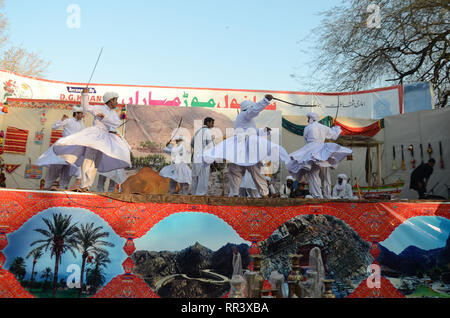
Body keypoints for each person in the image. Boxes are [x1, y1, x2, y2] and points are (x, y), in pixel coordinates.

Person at [203, 94, 289, 198]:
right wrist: (265, 100)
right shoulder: (246, 115)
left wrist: (263, 131)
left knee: (235, 170)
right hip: (247, 147)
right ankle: (264, 194)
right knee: (255, 170)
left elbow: (251, 131)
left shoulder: (244, 118)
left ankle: (235, 193)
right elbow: (254, 112)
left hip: (240, 146)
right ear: (248, 108)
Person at [52, 88, 131, 191]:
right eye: (115, 100)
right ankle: (84, 184)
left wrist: (104, 118)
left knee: (96, 162)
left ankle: (87, 185)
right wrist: (84, 95)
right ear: (110, 100)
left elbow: (116, 123)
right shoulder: (99, 108)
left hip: (105, 137)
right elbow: (86, 107)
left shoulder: (113, 113)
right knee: (89, 159)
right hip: (95, 134)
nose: (117, 102)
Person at [286, 112, 352, 199]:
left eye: (308, 118)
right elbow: (334, 136)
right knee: (325, 175)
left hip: (312, 151)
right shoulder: (324, 127)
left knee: (313, 174)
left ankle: (317, 195)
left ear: (311, 119)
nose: (307, 120)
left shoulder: (308, 127)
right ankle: (327, 194)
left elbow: (306, 140)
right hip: (323, 151)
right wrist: (335, 128)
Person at [36, 106, 85, 190]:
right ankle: (47, 187)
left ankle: (63, 189)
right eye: (81, 114)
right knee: (55, 167)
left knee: (69, 169)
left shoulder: (82, 124)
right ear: (76, 113)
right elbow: (54, 126)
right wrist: (61, 120)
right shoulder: (68, 120)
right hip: (63, 146)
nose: (82, 115)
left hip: (74, 148)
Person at [191, 117, 215, 195]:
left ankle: (194, 195)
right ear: (208, 123)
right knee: (203, 176)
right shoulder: (207, 131)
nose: (213, 125)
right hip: (203, 158)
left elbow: (192, 143)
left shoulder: (197, 131)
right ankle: (200, 194)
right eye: (212, 123)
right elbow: (210, 146)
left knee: (195, 177)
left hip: (196, 157)